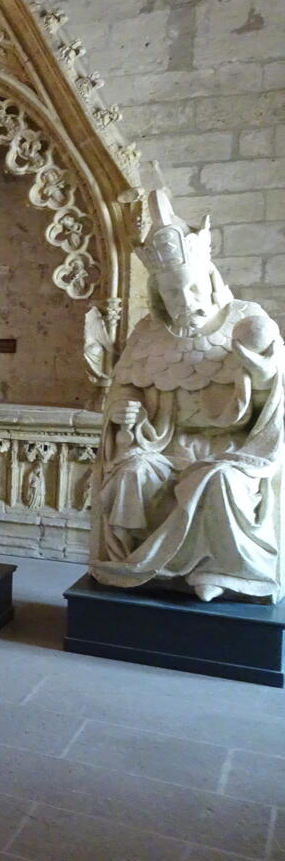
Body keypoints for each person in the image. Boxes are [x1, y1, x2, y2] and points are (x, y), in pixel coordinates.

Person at [90, 186, 285, 602]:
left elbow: (271, 402)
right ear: (159, 295)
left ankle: (222, 569)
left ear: (210, 280)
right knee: (131, 473)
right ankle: (142, 565)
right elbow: (126, 390)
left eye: (193, 287)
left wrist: (261, 371)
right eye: (173, 292)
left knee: (218, 481)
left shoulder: (246, 319)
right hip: (165, 446)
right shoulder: (147, 333)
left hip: (228, 452)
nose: (186, 300)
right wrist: (125, 411)